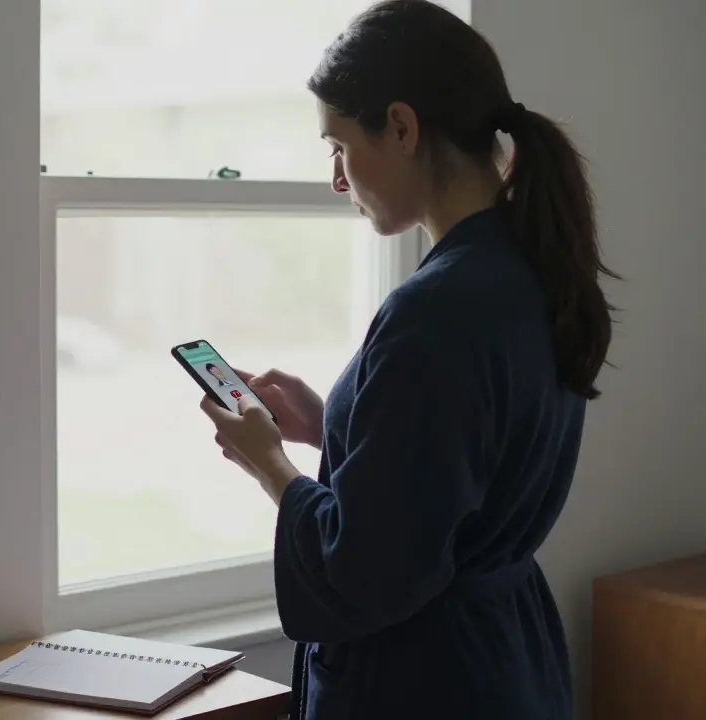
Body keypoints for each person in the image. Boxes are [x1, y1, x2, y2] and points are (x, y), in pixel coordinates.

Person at [198, 1, 618, 718]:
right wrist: (335, 420)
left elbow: (364, 571)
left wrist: (269, 461)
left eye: (338, 146)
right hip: (508, 660)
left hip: (428, 681)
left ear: (400, 126)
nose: (337, 178)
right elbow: (453, 472)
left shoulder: (436, 309)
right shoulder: (532, 270)